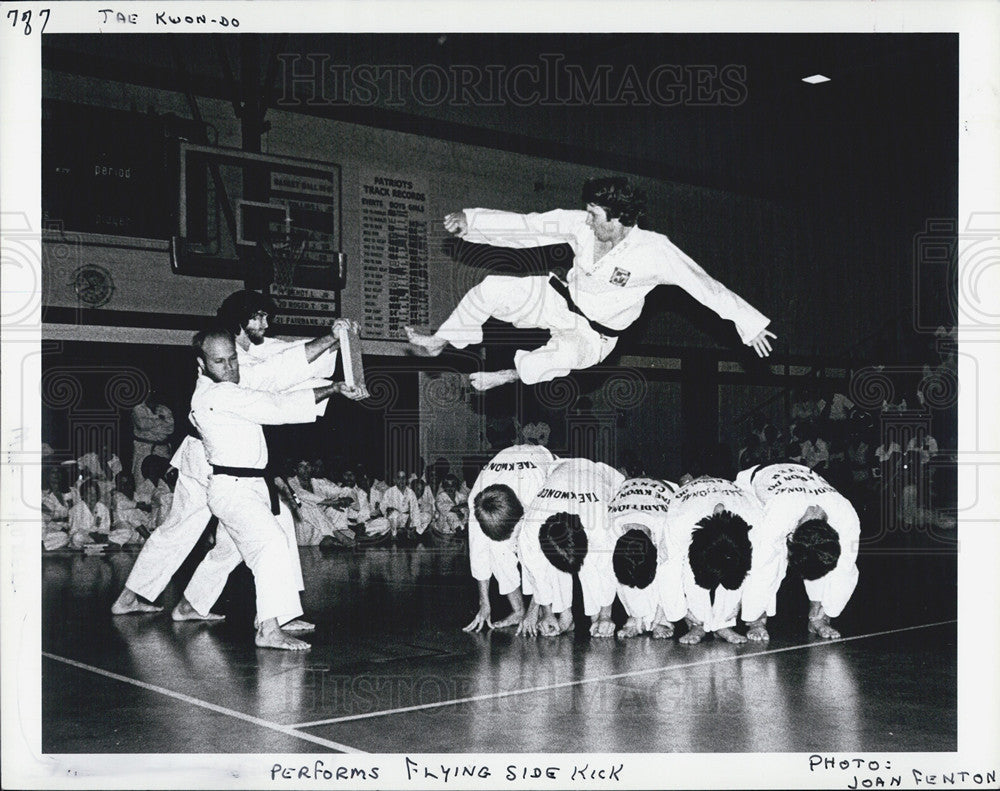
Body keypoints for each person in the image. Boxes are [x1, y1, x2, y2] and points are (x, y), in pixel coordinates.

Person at [406, 177, 775, 390]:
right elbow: (530, 226)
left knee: (559, 357)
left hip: (594, 335)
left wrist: (749, 323)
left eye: (595, 214)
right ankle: (442, 341)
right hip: (560, 299)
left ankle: (505, 376)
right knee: (492, 288)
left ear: (617, 220)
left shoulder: (655, 251)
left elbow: (704, 285)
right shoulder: (581, 225)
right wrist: (471, 222)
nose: (587, 218)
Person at [110, 300, 348, 618]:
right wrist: (331, 344)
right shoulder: (227, 361)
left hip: (232, 459)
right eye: (257, 316)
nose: (265, 323)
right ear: (238, 322)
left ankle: (196, 603)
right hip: (206, 458)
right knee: (191, 528)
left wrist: (333, 339)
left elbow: (285, 362)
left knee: (242, 536)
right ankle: (136, 596)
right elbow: (278, 377)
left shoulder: (245, 355)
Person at [188, 327, 364, 649]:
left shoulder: (230, 382)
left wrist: (331, 338)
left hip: (254, 482)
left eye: (232, 359)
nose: (230, 368)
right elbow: (276, 406)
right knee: (269, 542)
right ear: (201, 365)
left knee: (231, 551)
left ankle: (192, 605)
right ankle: (268, 628)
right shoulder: (215, 395)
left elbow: (279, 370)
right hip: (233, 489)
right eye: (219, 362)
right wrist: (334, 389)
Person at [736, 462, 860, 641]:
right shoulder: (780, 514)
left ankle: (818, 618)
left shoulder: (845, 515)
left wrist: (828, 611)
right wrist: (753, 614)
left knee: (825, 558)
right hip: (752, 482)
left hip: (801, 475)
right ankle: (758, 620)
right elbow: (762, 563)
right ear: (792, 536)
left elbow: (846, 568)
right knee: (768, 556)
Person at [517, 458, 625, 638]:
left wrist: (606, 615)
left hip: (601, 474)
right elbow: (538, 573)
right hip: (560, 470)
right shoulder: (530, 528)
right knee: (552, 559)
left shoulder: (599, 525)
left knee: (592, 564)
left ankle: (597, 618)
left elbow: (607, 570)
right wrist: (547, 613)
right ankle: (566, 617)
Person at [462, 443, 557, 633]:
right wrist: (484, 604)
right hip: (507, 462)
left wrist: (535, 610)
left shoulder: (538, 498)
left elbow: (544, 559)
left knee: (531, 549)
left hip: (544, 460)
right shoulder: (477, 502)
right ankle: (517, 610)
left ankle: (532, 610)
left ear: (521, 516)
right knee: (497, 550)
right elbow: (479, 555)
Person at [661, 475, 764, 645]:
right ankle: (697, 624)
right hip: (691, 502)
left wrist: (740, 604)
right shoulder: (679, 524)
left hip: (733, 500)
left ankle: (723, 624)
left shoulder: (755, 521)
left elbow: (760, 568)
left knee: (734, 567)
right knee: (688, 566)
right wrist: (680, 612)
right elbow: (668, 570)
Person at [608, 477, 678, 639]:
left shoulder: (666, 527)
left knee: (666, 568)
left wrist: (660, 616)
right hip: (629, 490)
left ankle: (662, 619)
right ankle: (635, 616)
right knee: (625, 565)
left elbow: (669, 577)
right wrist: (636, 614)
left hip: (665, 487)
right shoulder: (609, 527)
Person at [131, 390, 174, 488]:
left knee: (163, 479)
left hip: (162, 449)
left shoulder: (164, 409)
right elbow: (142, 425)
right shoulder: (138, 409)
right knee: (141, 479)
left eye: (155, 392)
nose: (153, 395)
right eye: (150, 393)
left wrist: (152, 422)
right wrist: (160, 419)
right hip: (143, 448)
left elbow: (170, 428)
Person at [380, 471, 421, 541]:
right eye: (399, 478)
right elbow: (382, 506)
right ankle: (394, 534)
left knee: (425, 517)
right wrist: (387, 509)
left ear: (406, 480)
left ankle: (410, 531)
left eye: (403, 478)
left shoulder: (410, 492)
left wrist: (414, 526)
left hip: (407, 519)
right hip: (394, 520)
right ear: (395, 480)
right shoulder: (389, 492)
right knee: (394, 514)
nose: (401, 480)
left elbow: (415, 509)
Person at [41, 465, 73, 551]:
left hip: (68, 528)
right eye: (53, 472)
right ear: (47, 475)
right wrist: (61, 529)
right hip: (51, 530)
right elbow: (46, 521)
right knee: (64, 537)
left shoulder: (68, 493)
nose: (56, 474)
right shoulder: (44, 496)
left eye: (58, 472)